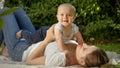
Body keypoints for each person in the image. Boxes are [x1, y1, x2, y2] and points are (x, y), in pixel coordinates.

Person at [0, 6, 109, 67]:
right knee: (17, 9)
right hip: (33, 39)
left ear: (81, 62)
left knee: (5, 12)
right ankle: (5, 46)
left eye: (85, 48)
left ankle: (8, 47)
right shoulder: (77, 48)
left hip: (22, 50)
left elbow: (30, 61)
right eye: (89, 45)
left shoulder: (61, 59)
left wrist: (47, 40)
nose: (84, 44)